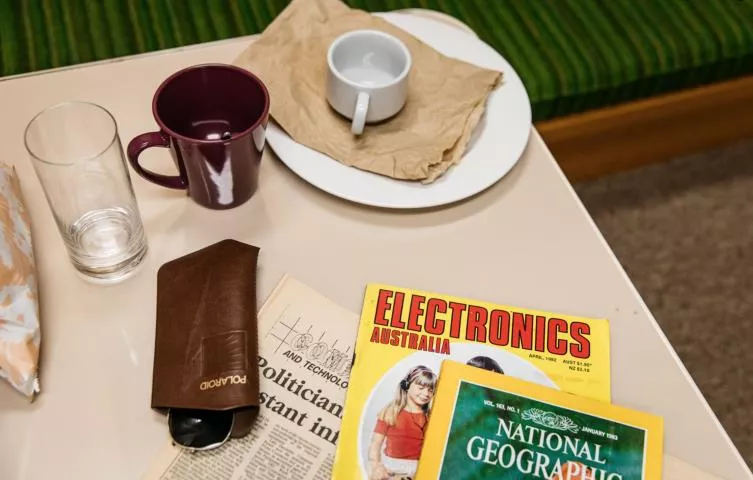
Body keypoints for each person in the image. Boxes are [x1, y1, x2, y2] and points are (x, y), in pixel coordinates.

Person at [368, 365, 437, 480]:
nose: (426, 394)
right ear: (407, 385)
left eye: (430, 390)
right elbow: (375, 443)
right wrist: (376, 466)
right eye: (421, 388)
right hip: (391, 467)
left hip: (418, 469)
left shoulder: (430, 417)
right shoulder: (391, 411)